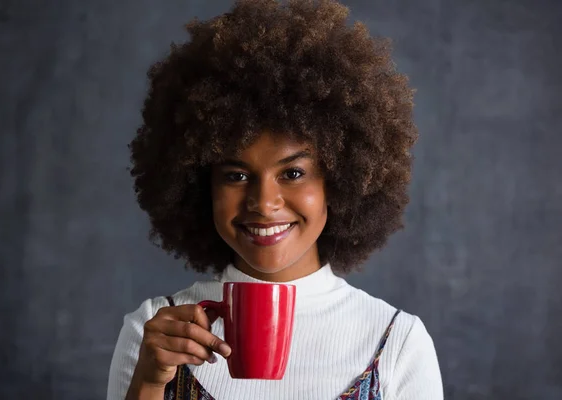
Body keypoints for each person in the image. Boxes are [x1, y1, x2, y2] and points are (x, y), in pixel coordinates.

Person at [107, 0, 443, 399]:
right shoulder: (155, 332)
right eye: (236, 175)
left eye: (293, 173)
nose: (264, 203)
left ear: (339, 182)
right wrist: (148, 381)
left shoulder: (397, 342)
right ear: (200, 186)